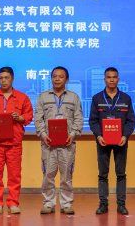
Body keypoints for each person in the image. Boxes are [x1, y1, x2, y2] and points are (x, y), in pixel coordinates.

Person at [0, 66, 34, 214]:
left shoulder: (22, 97)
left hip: (14, 143)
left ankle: (13, 203)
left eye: (6, 78)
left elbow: (29, 116)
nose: (3, 81)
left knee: (14, 175)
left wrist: (20, 117)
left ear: (12, 79)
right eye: (1, 78)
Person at [34, 66, 83, 215]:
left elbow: (78, 118)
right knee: (48, 175)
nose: (57, 79)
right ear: (51, 78)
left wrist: (72, 134)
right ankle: (48, 203)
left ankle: (66, 204)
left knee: (66, 175)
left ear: (66, 79)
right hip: (48, 144)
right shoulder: (43, 97)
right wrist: (43, 135)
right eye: (54, 76)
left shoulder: (74, 97)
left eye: (61, 76)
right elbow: (38, 119)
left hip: (67, 144)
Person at [89, 67, 135, 216]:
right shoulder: (97, 98)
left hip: (121, 142)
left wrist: (125, 136)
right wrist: (98, 136)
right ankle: (103, 204)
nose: (111, 80)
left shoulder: (126, 98)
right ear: (104, 79)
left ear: (118, 79)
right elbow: (93, 121)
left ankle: (121, 205)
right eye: (109, 77)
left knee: (121, 174)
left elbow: (131, 121)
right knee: (103, 174)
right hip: (102, 142)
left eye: (114, 77)